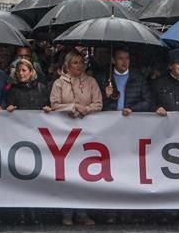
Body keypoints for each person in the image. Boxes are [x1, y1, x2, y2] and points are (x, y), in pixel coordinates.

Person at [49, 50, 101, 227]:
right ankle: (66, 212)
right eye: (75, 63)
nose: (79, 66)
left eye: (81, 62)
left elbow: (98, 103)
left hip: (87, 134)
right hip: (64, 134)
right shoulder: (58, 83)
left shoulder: (91, 82)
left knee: (84, 175)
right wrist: (72, 106)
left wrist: (87, 109)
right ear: (67, 65)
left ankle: (82, 212)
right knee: (67, 174)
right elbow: (55, 104)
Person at [97, 47, 153, 115]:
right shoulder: (103, 78)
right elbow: (98, 103)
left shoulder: (139, 78)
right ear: (113, 60)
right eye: (120, 58)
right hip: (109, 120)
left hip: (131, 119)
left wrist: (132, 109)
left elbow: (148, 102)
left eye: (127, 58)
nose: (124, 61)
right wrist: (106, 96)